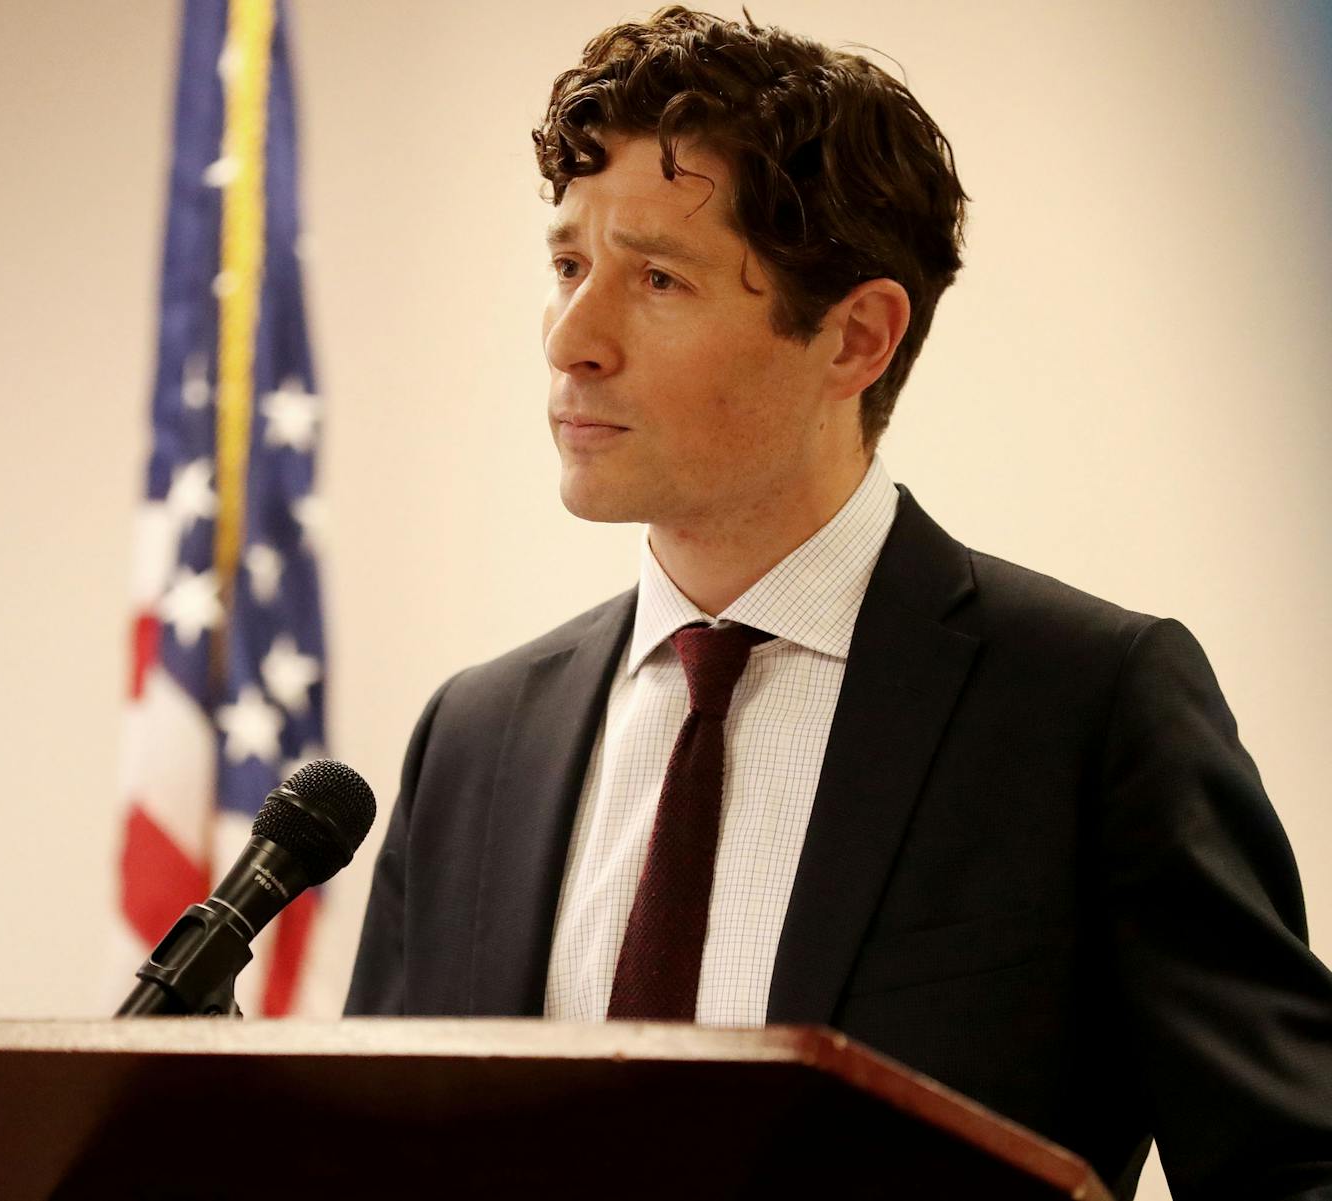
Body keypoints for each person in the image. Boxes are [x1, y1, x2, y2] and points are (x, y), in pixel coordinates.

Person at [345, 7, 1332, 1198]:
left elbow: (1293, 1170)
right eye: (565, 265)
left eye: (657, 277)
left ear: (854, 337)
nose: (571, 338)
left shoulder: (1088, 710)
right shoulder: (473, 738)